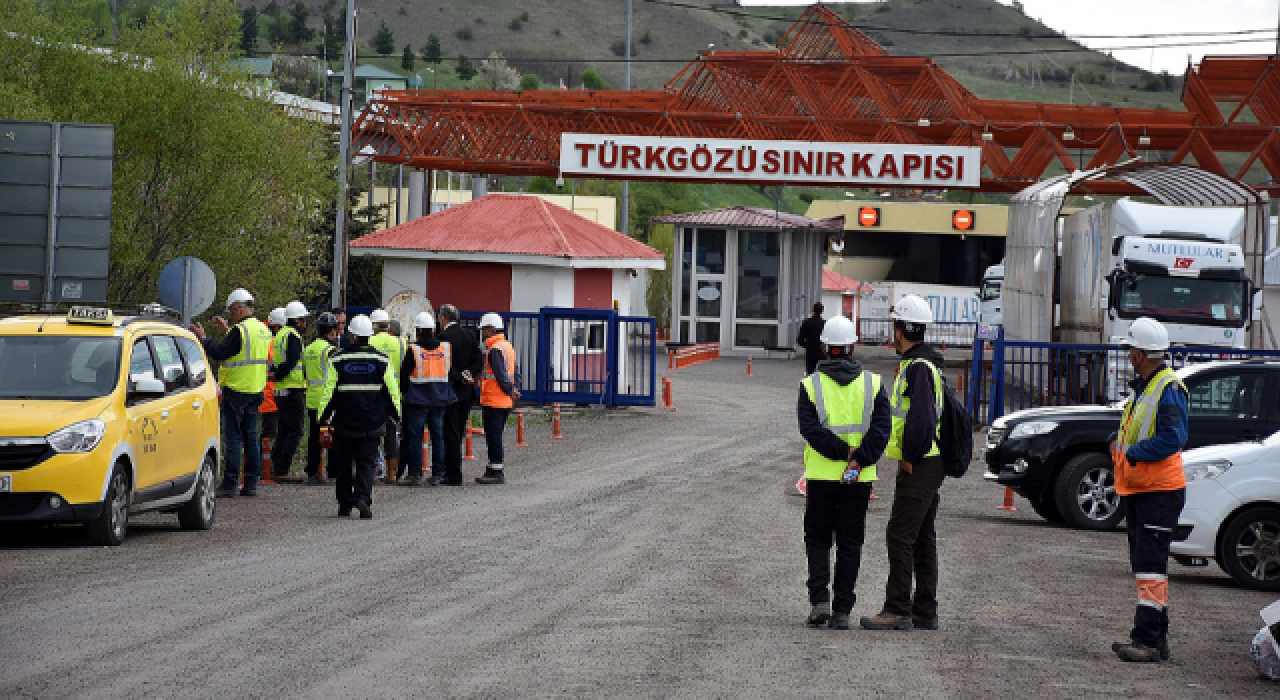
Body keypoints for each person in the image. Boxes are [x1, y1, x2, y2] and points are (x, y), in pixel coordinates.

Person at [797, 315, 891, 631]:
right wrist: (859, 458)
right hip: (858, 477)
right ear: (852, 347)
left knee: (818, 538)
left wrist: (841, 453)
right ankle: (841, 612)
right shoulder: (874, 384)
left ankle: (820, 600)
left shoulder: (810, 385)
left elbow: (810, 430)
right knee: (850, 542)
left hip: (822, 475)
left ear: (825, 347)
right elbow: (882, 429)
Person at [861, 294, 947, 632]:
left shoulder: (919, 369)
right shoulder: (925, 365)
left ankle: (897, 608)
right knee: (922, 535)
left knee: (900, 533)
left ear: (900, 330)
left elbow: (922, 422)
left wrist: (910, 456)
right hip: (929, 460)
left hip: (921, 462)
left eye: (894, 326)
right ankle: (924, 609)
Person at [1107, 317, 1188, 663]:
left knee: (1150, 567)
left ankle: (1148, 640)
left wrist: (1134, 454)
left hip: (1158, 490)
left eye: (1130, 349)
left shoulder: (1165, 388)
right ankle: (1156, 638)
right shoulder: (1150, 385)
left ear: (1139, 354)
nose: (1127, 354)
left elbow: (1173, 438)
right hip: (1145, 489)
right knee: (1147, 567)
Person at [189, 288, 273, 498]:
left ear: (238, 308)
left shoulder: (240, 331)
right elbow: (246, 350)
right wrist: (227, 330)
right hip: (255, 389)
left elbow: (221, 353)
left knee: (234, 438)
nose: (231, 315)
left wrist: (203, 339)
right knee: (251, 438)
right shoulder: (262, 329)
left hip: (237, 390)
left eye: (232, 311)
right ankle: (252, 483)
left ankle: (230, 484)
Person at [319, 315, 401, 519]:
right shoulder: (382, 360)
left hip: (344, 421)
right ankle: (363, 498)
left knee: (344, 464)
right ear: (370, 335)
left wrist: (323, 418)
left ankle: (344, 506)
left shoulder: (338, 359)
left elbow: (329, 391)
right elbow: (391, 390)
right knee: (366, 463)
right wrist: (396, 414)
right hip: (372, 422)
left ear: (352, 335)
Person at [399, 312, 457, 486]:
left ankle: (415, 474)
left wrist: (405, 393)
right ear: (433, 329)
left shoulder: (414, 350)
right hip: (439, 399)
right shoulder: (444, 348)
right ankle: (438, 473)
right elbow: (449, 372)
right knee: (438, 437)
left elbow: (403, 376)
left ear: (417, 331)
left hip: (417, 401)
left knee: (415, 437)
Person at [436, 304, 485, 486]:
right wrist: (469, 374)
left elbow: (443, 364)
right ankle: (452, 472)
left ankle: (453, 474)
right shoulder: (469, 335)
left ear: (443, 318)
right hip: (467, 392)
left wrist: (458, 376)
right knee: (459, 431)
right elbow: (478, 360)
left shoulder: (443, 337)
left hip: (451, 390)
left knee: (451, 433)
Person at [476, 312, 519, 485]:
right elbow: (515, 371)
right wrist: (514, 390)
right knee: (496, 435)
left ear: (490, 330)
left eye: (483, 330)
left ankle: (496, 471)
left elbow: (501, 376)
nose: (481, 333)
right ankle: (493, 468)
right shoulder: (507, 346)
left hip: (494, 400)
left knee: (494, 437)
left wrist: (509, 389)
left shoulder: (495, 350)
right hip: (504, 401)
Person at [269, 301, 309, 483]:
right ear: (298, 321)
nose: (305, 323)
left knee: (284, 430)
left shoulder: (280, 335)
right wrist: (279, 374)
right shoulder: (293, 336)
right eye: (304, 320)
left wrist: (275, 374)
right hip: (293, 389)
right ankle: (282, 469)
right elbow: (292, 361)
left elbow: (275, 362)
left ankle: (275, 466)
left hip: (280, 391)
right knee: (295, 431)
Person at [369, 309, 407, 484]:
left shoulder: (369, 341)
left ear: (374, 325)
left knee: (371, 434)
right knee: (392, 436)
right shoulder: (401, 343)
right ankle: (392, 475)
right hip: (395, 394)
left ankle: (372, 471)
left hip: (373, 395)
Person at [303, 312, 340, 486]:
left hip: (311, 398)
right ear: (332, 331)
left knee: (313, 437)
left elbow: (305, 373)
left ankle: (312, 472)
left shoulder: (308, 349)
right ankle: (332, 470)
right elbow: (336, 376)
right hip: (327, 400)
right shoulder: (331, 350)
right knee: (330, 434)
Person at [260, 307, 285, 450]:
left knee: (270, 433)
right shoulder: (273, 343)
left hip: (270, 396)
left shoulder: (266, 340)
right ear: (276, 327)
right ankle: (264, 468)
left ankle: (264, 466)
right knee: (269, 434)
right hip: (271, 396)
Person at [796, 302, 827, 375]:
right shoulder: (825, 324)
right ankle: (820, 386)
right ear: (822, 311)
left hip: (810, 353)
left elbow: (800, 340)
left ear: (812, 310)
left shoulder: (806, 323)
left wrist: (808, 345)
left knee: (810, 374)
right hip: (822, 353)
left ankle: (812, 386)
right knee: (822, 375)